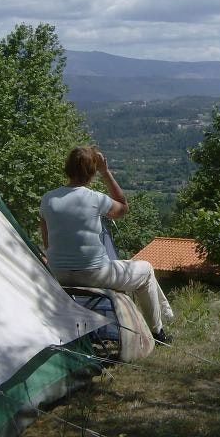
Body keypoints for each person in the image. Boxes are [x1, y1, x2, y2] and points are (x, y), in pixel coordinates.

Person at [40, 146, 174, 343]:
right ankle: (158, 332)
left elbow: (47, 242)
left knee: (137, 269)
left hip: (58, 273)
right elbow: (123, 208)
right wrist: (106, 172)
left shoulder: (48, 199)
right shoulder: (95, 198)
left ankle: (166, 311)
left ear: (67, 168)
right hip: (95, 274)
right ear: (92, 172)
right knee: (146, 269)